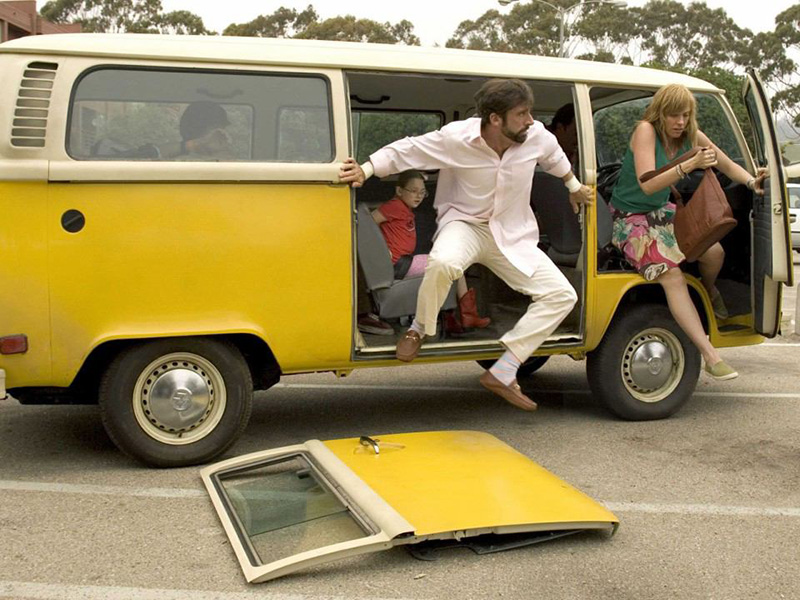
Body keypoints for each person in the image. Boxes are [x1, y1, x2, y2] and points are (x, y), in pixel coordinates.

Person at [340, 78, 592, 411]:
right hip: (465, 224)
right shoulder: (457, 138)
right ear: (495, 119)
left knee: (562, 295)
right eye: (521, 114)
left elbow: (554, 157)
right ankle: (419, 328)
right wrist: (367, 169)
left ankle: (504, 370)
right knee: (443, 262)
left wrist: (574, 186)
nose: (530, 120)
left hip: (510, 233)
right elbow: (408, 149)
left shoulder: (536, 136)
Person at [609, 83, 766, 381]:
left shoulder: (691, 134)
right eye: (673, 115)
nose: (680, 122)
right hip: (630, 218)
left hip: (662, 213)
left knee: (714, 252)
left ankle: (707, 291)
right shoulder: (645, 131)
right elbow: (648, 183)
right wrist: (690, 164)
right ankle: (711, 356)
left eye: (685, 115)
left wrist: (752, 183)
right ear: (660, 113)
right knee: (672, 276)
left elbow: (726, 164)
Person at [372, 169, 490, 332]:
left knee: (447, 266)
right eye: (413, 191)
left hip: (404, 261)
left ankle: (451, 317)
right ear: (399, 191)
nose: (418, 196)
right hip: (400, 264)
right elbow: (369, 222)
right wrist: (381, 249)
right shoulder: (394, 206)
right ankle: (467, 315)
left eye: (422, 192)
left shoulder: (403, 208)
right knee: (453, 264)